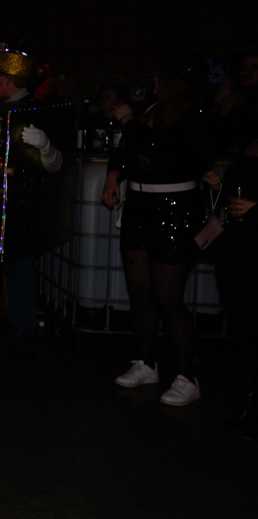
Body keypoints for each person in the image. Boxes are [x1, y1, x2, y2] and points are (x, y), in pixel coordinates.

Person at [101, 48, 212, 406]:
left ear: (175, 82)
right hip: (139, 204)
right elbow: (127, 150)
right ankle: (147, 363)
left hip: (175, 206)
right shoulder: (152, 110)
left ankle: (186, 376)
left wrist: (128, 121)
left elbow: (160, 149)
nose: (154, 81)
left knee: (168, 297)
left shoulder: (194, 115)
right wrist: (114, 174)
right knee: (140, 292)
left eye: (160, 76)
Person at [0, 49, 64, 356]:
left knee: (19, 271)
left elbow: (58, 165)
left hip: (21, 211)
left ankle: (22, 327)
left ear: (7, 81)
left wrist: (46, 147)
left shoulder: (41, 110)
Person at [203, 142, 258, 439]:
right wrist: (218, 186)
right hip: (236, 247)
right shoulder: (250, 144)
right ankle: (248, 403)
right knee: (239, 329)